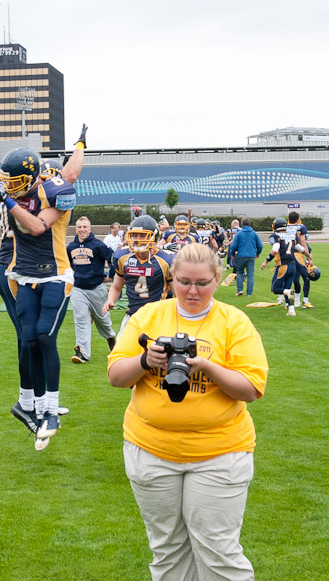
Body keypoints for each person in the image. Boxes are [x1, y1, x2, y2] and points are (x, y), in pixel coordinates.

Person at [108, 243, 268, 581]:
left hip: (219, 453)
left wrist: (207, 366)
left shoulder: (234, 321)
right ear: (172, 279)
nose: (192, 291)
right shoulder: (149, 315)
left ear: (217, 279)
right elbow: (116, 376)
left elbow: (250, 389)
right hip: (150, 450)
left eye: (202, 283)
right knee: (167, 550)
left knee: (218, 551)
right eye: (183, 282)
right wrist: (145, 360)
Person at [0, 141, 78, 450]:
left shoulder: (53, 192)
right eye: (8, 182)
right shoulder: (12, 191)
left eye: (16, 182)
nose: (10, 186)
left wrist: (80, 145)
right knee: (29, 340)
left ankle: (46, 408)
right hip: (20, 272)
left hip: (51, 273)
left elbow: (38, 224)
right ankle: (33, 405)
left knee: (42, 338)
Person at [105, 215, 176, 334]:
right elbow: (116, 287)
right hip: (133, 315)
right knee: (122, 346)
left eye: (142, 235)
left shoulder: (165, 260)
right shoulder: (122, 257)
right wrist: (110, 300)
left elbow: (178, 294)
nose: (137, 239)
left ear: (154, 236)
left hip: (157, 317)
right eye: (134, 235)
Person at [67, 216, 118, 364]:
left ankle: (110, 337)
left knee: (103, 319)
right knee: (80, 319)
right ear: (76, 229)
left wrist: (111, 276)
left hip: (96, 288)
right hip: (78, 289)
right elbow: (66, 264)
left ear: (90, 229)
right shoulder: (70, 247)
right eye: (79, 227)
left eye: (84, 227)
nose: (82, 230)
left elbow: (114, 257)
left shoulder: (98, 245)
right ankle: (82, 352)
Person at [260, 216, 304, 317]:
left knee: (275, 288)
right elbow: (299, 248)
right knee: (287, 288)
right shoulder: (292, 235)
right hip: (292, 266)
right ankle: (291, 309)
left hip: (283, 265)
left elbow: (275, 248)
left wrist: (266, 261)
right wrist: (308, 255)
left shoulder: (275, 236)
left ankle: (289, 298)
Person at [226, 217, 264, 297]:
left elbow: (233, 245)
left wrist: (233, 254)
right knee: (250, 274)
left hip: (241, 256)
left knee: (240, 272)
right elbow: (260, 245)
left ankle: (240, 290)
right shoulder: (254, 233)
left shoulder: (239, 233)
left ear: (242, 224)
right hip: (251, 256)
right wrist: (257, 253)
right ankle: (249, 293)